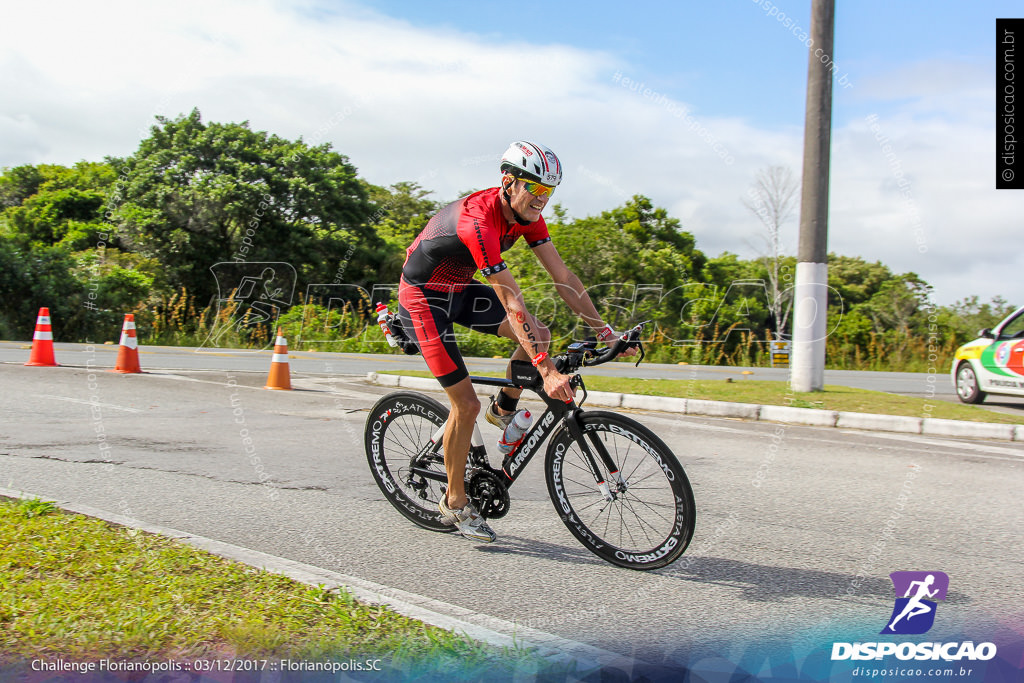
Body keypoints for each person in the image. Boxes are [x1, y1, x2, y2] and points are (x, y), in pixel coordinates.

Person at [396, 141, 634, 543]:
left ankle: (504, 409)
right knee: (465, 404)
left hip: (458, 289)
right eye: (536, 190)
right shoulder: (479, 220)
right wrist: (545, 369)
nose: (542, 200)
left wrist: (604, 331)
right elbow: (509, 298)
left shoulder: (528, 216)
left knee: (539, 333)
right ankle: (454, 503)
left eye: (549, 193)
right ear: (508, 182)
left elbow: (565, 278)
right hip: (423, 299)